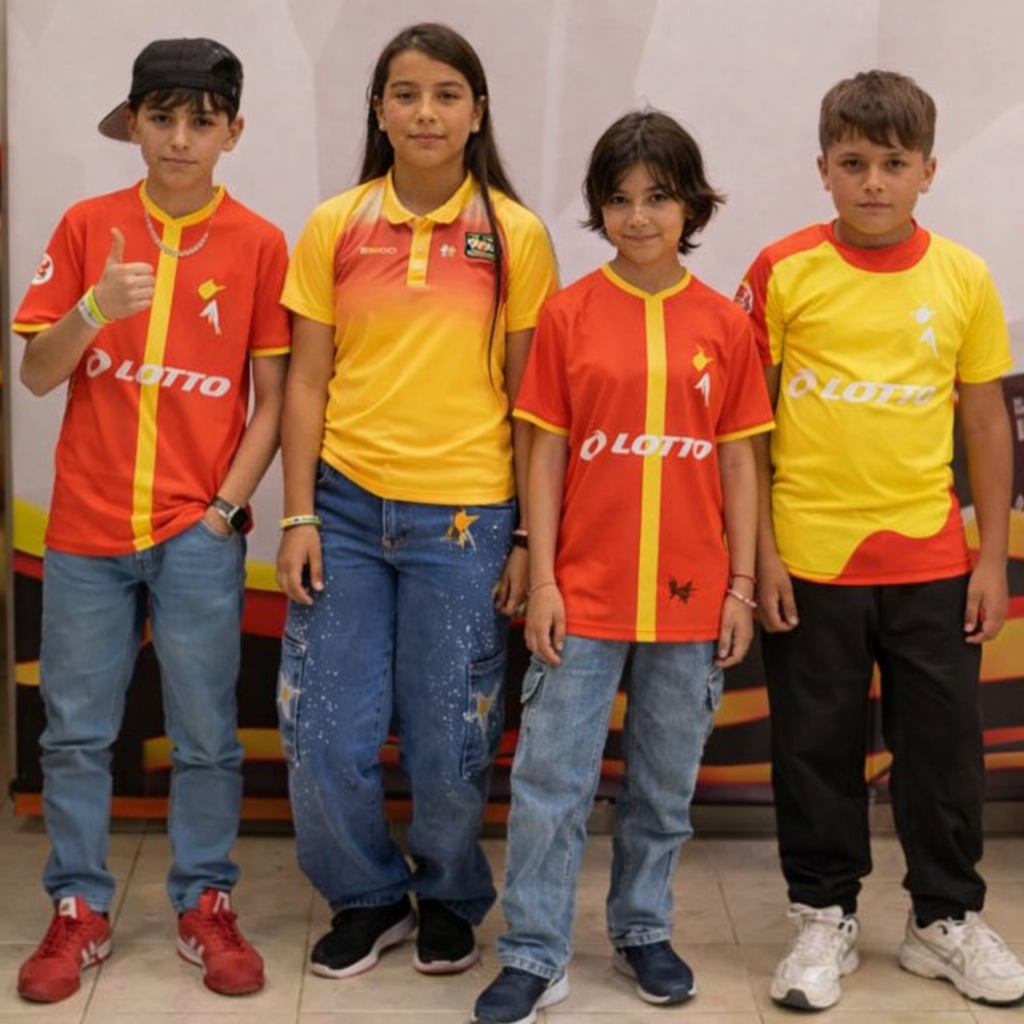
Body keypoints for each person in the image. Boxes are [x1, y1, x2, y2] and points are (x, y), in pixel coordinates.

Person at [472, 109, 774, 1024]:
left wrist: (741, 587)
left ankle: (644, 930)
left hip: (693, 600)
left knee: (663, 786)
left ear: (692, 207)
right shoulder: (568, 316)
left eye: (659, 197)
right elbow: (545, 454)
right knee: (550, 783)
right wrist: (545, 578)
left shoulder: (726, 325)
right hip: (583, 595)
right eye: (620, 199)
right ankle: (534, 951)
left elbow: (740, 463)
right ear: (599, 209)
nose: (639, 216)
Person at [735, 69, 1024, 1010]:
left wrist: (989, 558)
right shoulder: (781, 270)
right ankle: (823, 916)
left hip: (932, 561)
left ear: (928, 171)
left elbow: (985, 421)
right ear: (822, 168)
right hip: (807, 559)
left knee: (942, 751)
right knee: (813, 747)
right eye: (853, 162)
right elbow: (747, 427)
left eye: (893, 164)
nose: (873, 182)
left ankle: (945, 921)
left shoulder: (963, 276)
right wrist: (761, 558)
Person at [275, 22, 558, 981]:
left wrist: (526, 535)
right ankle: (364, 896)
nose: (425, 112)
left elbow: (533, 405)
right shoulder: (335, 224)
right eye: (405, 94)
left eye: (446, 94)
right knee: (322, 729)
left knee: (451, 738)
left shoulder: (515, 236)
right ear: (378, 110)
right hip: (346, 515)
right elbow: (305, 382)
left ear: (478, 113)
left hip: (468, 523)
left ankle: (446, 895)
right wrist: (299, 514)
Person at [11, 38, 289, 1003]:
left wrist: (224, 510)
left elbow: (273, 400)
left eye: (201, 122)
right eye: (161, 118)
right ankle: (77, 909)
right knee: (74, 735)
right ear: (132, 123)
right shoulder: (88, 225)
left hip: (195, 535)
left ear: (232, 133)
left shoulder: (259, 243)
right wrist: (93, 308)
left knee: (207, 734)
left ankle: (206, 902)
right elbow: (35, 373)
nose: (179, 139)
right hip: (85, 530)